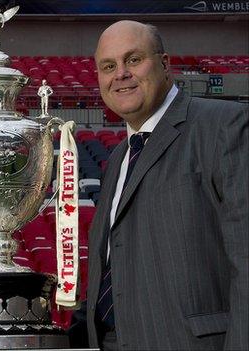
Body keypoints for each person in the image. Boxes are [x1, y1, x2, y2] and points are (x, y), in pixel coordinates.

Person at [84, 20, 248, 350]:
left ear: (164, 64)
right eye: (108, 66)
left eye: (133, 59)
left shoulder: (223, 126)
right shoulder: (118, 159)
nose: (121, 74)